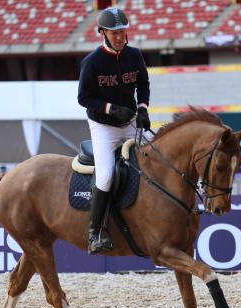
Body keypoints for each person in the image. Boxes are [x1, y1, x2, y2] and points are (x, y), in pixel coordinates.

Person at [77, 7, 151, 254]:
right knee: (106, 175)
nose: (120, 37)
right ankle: (94, 232)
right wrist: (110, 108)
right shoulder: (92, 61)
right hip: (103, 127)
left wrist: (142, 109)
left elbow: (143, 83)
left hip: (130, 121)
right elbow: (83, 98)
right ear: (103, 33)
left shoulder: (135, 55)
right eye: (114, 32)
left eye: (123, 31)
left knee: (157, 158)